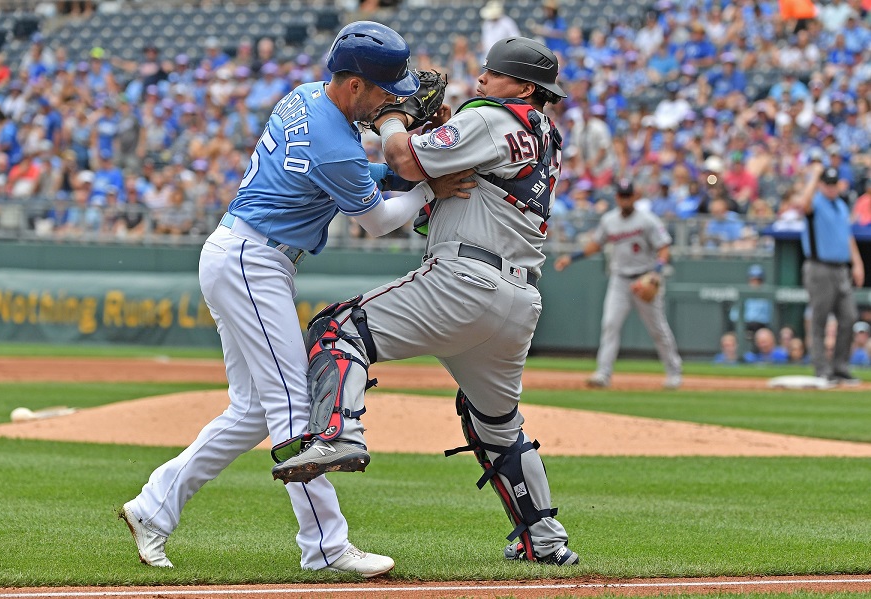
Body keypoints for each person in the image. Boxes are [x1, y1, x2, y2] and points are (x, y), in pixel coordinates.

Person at [119, 21, 473, 576]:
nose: (391, 99)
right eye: (383, 89)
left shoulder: (306, 96)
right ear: (354, 84)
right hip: (252, 261)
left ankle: (153, 508)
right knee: (292, 409)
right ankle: (326, 547)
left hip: (242, 253)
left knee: (251, 412)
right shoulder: (336, 141)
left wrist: (402, 174)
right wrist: (428, 185)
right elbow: (378, 221)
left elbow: (351, 173)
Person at [273, 36, 578, 567]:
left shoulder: (492, 118)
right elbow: (441, 182)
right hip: (519, 299)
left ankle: (339, 433)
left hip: (465, 281)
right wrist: (433, 128)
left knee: (335, 330)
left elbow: (404, 160)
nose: (482, 81)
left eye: (495, 74)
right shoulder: (543, 134)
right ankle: (544, 536)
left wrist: (393, 117)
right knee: (496, 424)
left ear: (525, 87)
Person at [554, 180, 683, 389]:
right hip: (620, 280)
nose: (625, 199)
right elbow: (596, 244)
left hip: (644, 279)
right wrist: (572, 257)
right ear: (617, 198)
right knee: (610, 325)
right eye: (622, 195)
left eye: (628, 195)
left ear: (635, 196)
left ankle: (674, 372)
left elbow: (664, 248)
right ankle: (603, 374)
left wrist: (656, 273)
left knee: (658, 329)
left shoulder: (647, 220)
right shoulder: (609, 220)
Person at [792, 164, 865, 385]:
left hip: (841, 268)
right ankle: (821, 369)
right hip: (819, 267)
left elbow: (848, 236)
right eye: (828, 184)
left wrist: (857, 262)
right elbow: (802, 204)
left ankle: (840, 367)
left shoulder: (841, 206)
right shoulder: (816, 202)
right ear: (822, 185)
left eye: (834, 184)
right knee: (820, 319)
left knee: (849, 317)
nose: (832, 188)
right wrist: (813, 177)